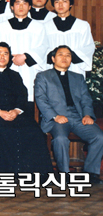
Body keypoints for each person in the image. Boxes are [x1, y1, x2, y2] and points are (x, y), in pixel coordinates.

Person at [0, 42, 52, 175]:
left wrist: (16, 111)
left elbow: (22, 95)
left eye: (6, 53)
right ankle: (3, 174)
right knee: (0, 131)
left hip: (15, 113)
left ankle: (33, 174)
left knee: (34, 131)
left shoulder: (14, 75)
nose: (2, 56)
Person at [35, 46, 103, 184]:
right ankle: (64, 174)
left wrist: (88, 115)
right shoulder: (43, 76)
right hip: (56, 119)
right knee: (60, 139)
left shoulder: (77, 77)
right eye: (61, 55)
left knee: (99, 136)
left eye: (68, 55)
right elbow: (40, 99)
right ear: (53, 58)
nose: (65, 58)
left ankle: (91, 173)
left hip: (78, 117)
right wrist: (55, 116)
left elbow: (86, 99)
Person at [0, 0, 48, 105]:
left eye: (24, 3)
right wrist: (11, 58)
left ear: (30, 6)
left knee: (28, 100)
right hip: (8, 68)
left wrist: (25, 56)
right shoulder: (2, 27)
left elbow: (43, 47)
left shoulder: (38, 27)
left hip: (30, 70)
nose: (21, 6)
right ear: (11, 7)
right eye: (17, 3)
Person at [44, 0, 95, 76]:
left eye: (64, 1)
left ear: (70, 4)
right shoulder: (46, 26)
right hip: (53, 70)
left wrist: (69, 57)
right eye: (57, 1)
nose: (60, 4)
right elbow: (43, 48)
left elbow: (88, 47)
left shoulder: (82, 25)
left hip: (75, 69)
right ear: (53, 4)